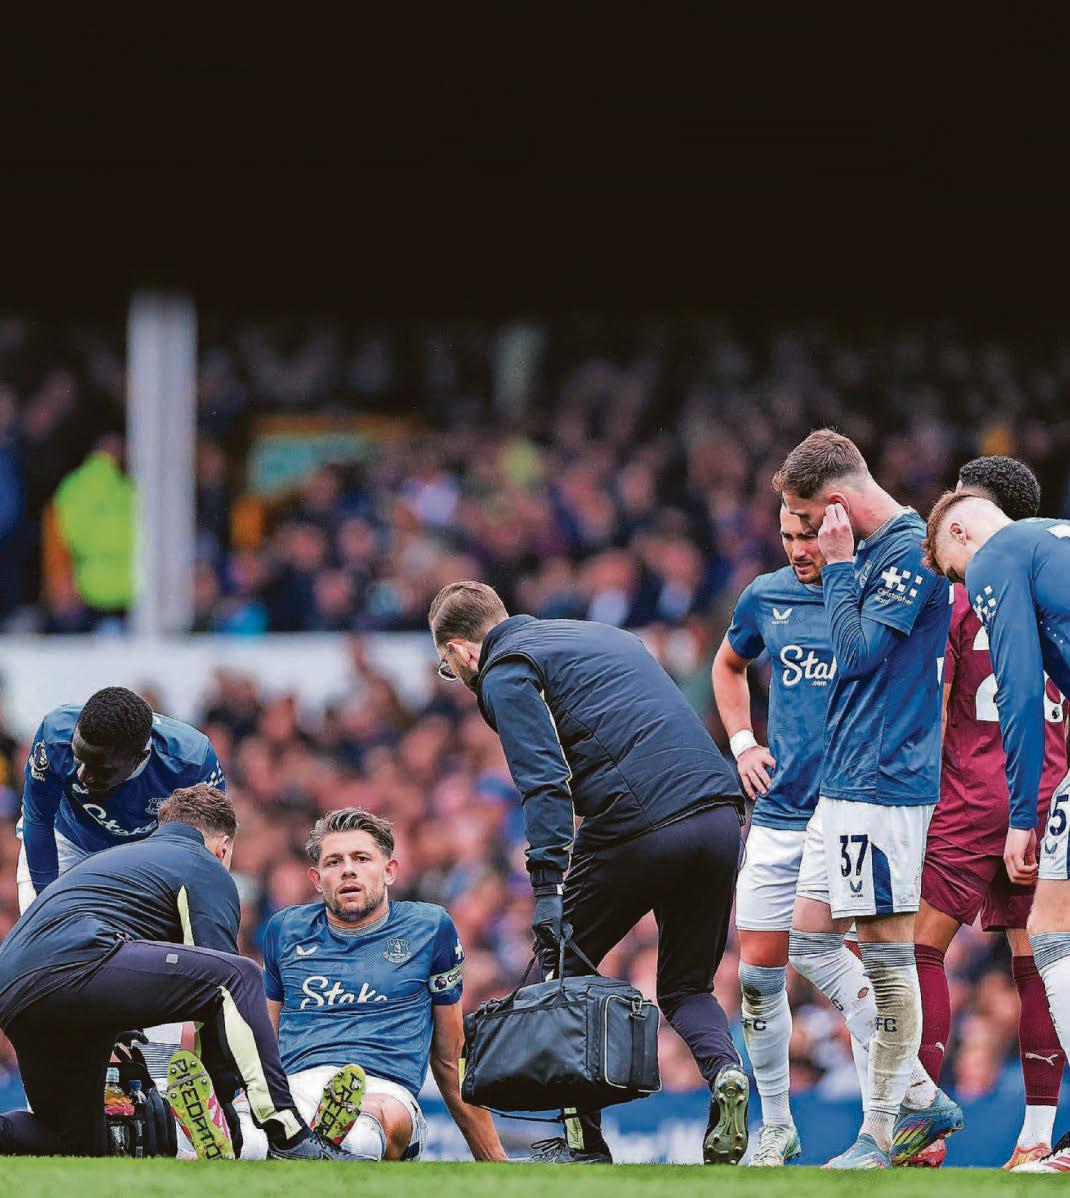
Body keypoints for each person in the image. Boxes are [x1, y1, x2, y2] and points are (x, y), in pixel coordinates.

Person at [428, 580, 746, 1165]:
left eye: (450, 667)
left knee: (562, 972)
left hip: (638, 817)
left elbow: (546, 781)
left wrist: (547, 886)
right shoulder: (602, 634)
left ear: (461, 650)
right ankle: (726, 1070)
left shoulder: (504, 667)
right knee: (686, 987)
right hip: (720, 813)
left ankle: (584, 1142)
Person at [774, 429, 962, 1169]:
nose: (809, 543)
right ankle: (918, 1093)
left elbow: (854, 655)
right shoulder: (866, 557)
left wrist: (845, 566)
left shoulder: (909, 551)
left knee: (888, 959)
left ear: (839, 507)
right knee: (810, 942)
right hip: (845, 781)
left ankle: (881, 1135)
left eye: (809, 520)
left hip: (884, 783)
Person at [0, 784, 353, 1160]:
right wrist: (225, 1106)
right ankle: (288, 1135)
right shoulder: (202, 864)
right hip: (76, 964)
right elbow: (221, 994)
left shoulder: (125, 859)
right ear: (223, 846)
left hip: (16, 985)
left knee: (73, 1142)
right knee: (240, 976)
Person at [914, 457, 1065, 1171]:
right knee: (1040, 960)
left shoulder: (973, 585)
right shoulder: (1053, 567)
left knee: (914, 948)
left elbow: (938, 704)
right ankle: (1036, 1135)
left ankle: (915, 1128)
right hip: (1049, 789)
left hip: (977, 791)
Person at [713, 503, 874, 1165]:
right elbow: (729, 665)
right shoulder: (765, 595)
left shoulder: (871, 594)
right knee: (756, 975)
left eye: (808, 535)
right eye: (787, 535)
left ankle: (887, 1121)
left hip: (853, 810)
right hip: (779, 811)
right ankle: (775, 1126)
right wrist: (745, 742)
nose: (797, 548)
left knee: (855, 962)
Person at [238, 807, 506, 1162]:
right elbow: (266, 1041)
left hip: (385, 1090)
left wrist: (494, 1159)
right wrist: (248, 1094)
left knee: (371, 1119)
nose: (348, 868)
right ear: (317, 879)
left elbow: (449, 1058)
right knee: (252, 1130)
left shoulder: (429, 928)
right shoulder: (285, 929)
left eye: (361, 858)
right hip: (298, 1086)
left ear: (390, 871)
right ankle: (245, 1137)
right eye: (334, 862)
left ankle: (312, 1142)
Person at [16, 686, 225, 1082]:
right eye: (80, 759)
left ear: (140, 757)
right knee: (42, 955)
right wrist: (51, 914)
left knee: (171, 963)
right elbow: (39, 822)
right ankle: (51, 1095)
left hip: (149, 857)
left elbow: (202, 858)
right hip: (65, 844)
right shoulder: (56, 734)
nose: (82, 774)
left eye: (100, 768)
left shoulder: (192, 763)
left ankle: (161, 1091)